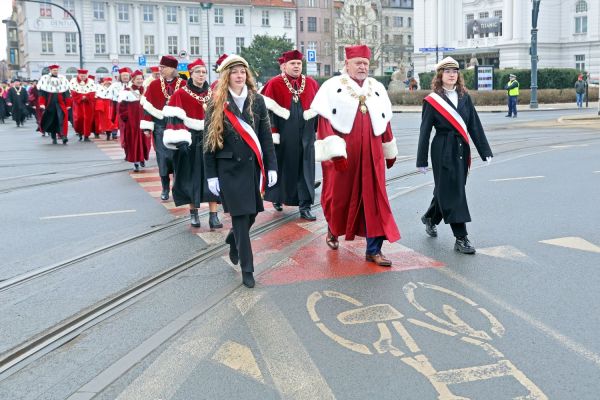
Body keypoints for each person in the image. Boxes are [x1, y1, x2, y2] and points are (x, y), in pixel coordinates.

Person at [310, 45, 400, 266]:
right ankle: (333, 229)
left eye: (365, 63)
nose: (362, 67)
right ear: (347, 64)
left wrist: (389, 149)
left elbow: (383, 120)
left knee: (376, 200)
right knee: (337, 197)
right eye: (358, 62)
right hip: (343, 157)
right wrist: (334, 153)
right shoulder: (331, 87)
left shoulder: (377, 87)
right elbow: (324, 124)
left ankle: (373, 249)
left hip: (373, 156)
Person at [204, 54, 278, 288]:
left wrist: (272, 166)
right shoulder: (216, 102)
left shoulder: (257, 101)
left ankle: (233, 241)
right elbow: (208, 141)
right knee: (239, 217)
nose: (239, 76)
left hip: (252, 167)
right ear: (227, 76)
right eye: (235, 72)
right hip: (228, 168)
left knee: (253, 212)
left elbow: (266, 136)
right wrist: (211, 174)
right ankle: (247, 268)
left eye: (243, 72)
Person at [416, 57, 493, 254]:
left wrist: (485, 151)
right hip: (442, 148)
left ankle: (430, 218)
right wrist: (421, 160)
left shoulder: (464, 97)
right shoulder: (432, 100)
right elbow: (425, 131)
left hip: (461, 148)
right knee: (454, 193)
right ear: (440, 75)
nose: (452, 74)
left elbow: (474, 125)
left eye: (455, 71)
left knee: (450, 189)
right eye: (447, 71)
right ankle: (461, 237)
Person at [163, 58, 223, 229]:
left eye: (204, 72)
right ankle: (194, 214)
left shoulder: (212, 94)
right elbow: (173, 119)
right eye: (198, 72)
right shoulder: (180, 94)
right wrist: (181, 140)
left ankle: (213, 215)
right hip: (188, 142)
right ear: (191, 74)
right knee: (190, 177)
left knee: (213, 177)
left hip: (209, 140)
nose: (201, 75)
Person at [261, 50, 319, 220]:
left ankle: (305, 206)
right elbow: (267, 113)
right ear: (284, 66)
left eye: (299, 63)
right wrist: (273, 134)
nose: (296, 66)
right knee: (283, 166)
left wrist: (315, 131)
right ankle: (277, 197)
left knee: (306, 167)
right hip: (284, 132)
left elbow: (318, 110)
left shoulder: (311, 83)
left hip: (306, 133)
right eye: (292, 63)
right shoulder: (275, 83)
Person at [141, 55, 185, 201]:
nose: (160, 70)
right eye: (160, 67)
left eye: (163, 67)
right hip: (160, 126)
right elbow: (147, 106)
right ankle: (165, 188)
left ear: (172, 69)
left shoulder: (184, 84)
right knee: (163, 159)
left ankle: (177, 187)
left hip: (179, 127)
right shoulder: (153, 85)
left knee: (179, 158)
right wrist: (147, 127)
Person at [118, 70, 150, 172]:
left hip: (144, 120)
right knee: (134, 141)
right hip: (132, 121)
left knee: (145, 140)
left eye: (141, 79)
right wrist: (126, 119)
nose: (140, 81)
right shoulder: (126, 91)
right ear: (133, 80)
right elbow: (121, 107)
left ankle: (142, 158)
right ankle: (136, 161)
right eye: (138, 79)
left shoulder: (145, 90)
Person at [38, 65, 71, 144]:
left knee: (61, 119)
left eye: (56, 70)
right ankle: (53, 137)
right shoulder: (45, 79)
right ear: (50, 71)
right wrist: (42, 103)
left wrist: (68, 104)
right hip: (50, 104)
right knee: (52, 120)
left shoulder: (62, 79)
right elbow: (42, 93)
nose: (55, 71)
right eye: (54, 70)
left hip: (60, 104)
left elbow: (66, 93)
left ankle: (63, 136)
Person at [69, 69, 96, 142]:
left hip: (88, 103)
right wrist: (81, 97)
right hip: (78, 104)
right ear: (78, 75)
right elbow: (73, 92)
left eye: (84, 76)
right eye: (81, 76)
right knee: (79, 118)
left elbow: (93, 92)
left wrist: (86, 97)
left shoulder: (91, 82)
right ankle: (80, 133)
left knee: (88, 119)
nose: (83, 77)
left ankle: (86, 135)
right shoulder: (73, 81)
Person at [108, 67, 131, 140]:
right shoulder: (115, 85)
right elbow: (109, 94)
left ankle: (127, 132)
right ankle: (114, 132)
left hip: (129, 104)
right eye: (123, 76)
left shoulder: (132, 84)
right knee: (117, 118)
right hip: (118, 103)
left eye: (127, 75)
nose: (125, 77)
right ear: (120, 76)